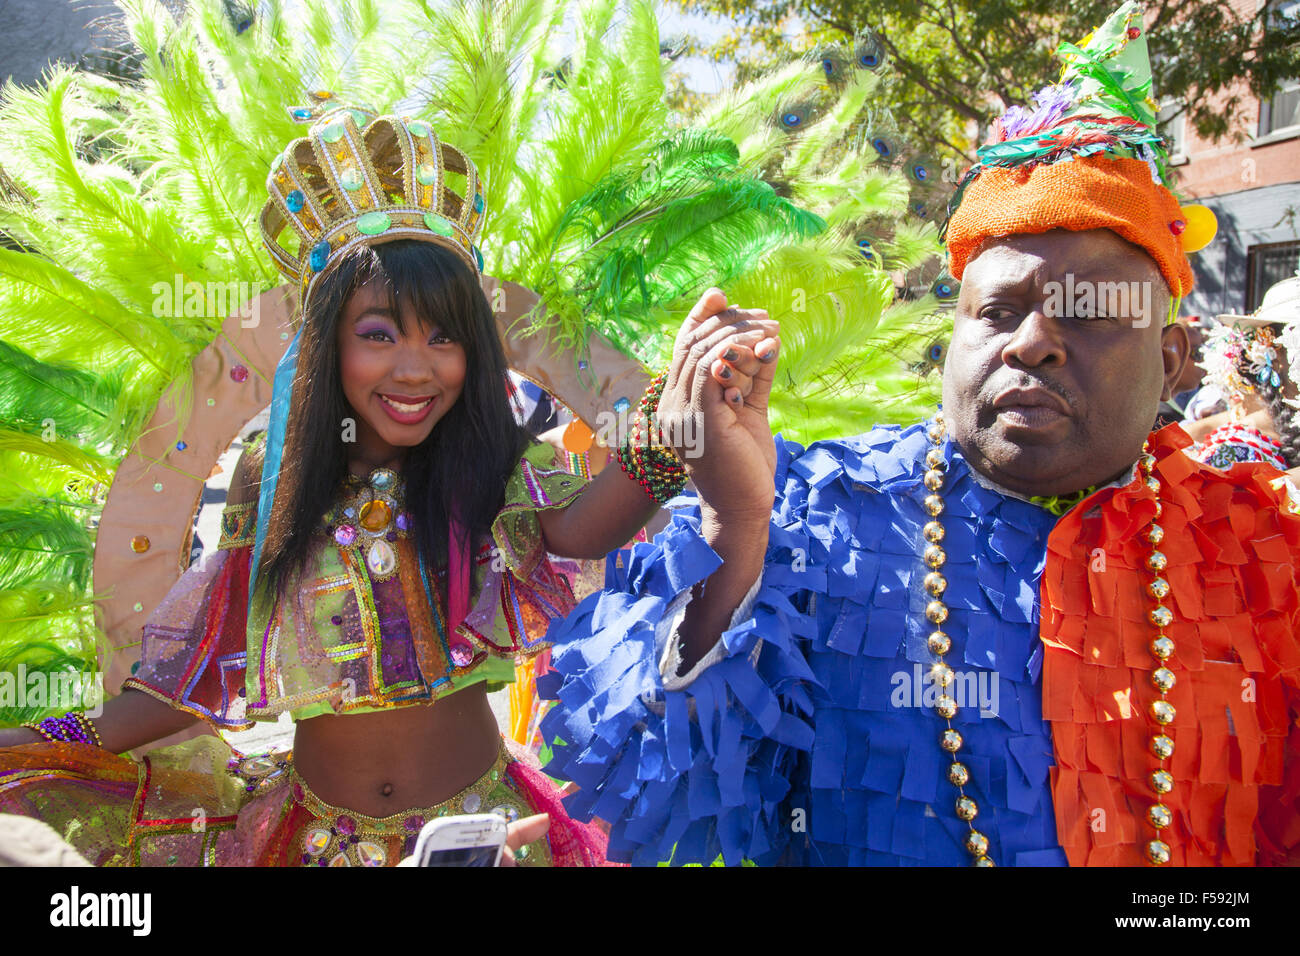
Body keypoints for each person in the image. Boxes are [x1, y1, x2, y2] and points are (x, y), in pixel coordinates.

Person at [538, 1, 1300, 866]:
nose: (1032, 341)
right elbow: (670, 806)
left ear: (1171, 361)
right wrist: (735, 533)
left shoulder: (1264, 543)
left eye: (1086, 314)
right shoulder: (808, 511)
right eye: (999, 311)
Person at [0, 107, 763, 867]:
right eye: (379, 334)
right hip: (306, 845)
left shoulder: (484, 459)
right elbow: (189, 673)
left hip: (484, 839)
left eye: (444, 336)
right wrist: (38, 740)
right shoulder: (271, 479)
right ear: (324, 342)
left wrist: (671, 422)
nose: (414, 367)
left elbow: (578, 531)